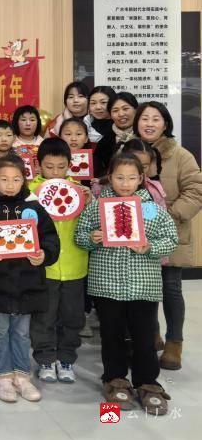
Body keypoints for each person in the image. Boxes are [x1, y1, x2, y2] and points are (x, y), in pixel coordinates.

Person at [75, 153, 178, 415]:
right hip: (106, 284)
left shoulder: (151, 207)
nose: (125, 183)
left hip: (143, 285)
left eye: (132, 178)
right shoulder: (97, 206)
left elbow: (170, 238)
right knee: (111, 335)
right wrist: (92, 237)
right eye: (119, 177)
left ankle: (147, 382)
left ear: (141, 178)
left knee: (144, 335)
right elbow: (80, 236)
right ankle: (115, 378)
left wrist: (150, 247)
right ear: (110, 177)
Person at [0, 157, 60, 403]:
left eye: (16, 179)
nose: (10, 185)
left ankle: (22, 374)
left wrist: (44, 255)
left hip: (28, 282)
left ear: (24, 180)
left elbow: (50, 237)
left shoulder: (35, 207)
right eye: (4, 179)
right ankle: (1, 374)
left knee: (21, 332)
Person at [135, 101, 202, 370]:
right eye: (145, 118)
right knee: (144, 290)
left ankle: (175, 342)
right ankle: (152, 336)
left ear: (165, 124)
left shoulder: (181, 155)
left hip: (171, 232)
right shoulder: (130, 151)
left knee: (171, 288)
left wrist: (169, 216)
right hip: (138, 235)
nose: (149, 123)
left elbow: (195, 190)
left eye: (156, 119)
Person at [28, 139, 90, 384]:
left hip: (75, 265)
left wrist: (89, 202)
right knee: (44, 317)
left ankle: (66, 359)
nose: (55, 172)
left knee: (73, 317)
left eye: (61, 167)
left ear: (70, 165)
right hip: (45, 268)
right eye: (49, 166)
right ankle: (45, 358)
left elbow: (93, 223)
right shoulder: (31, 192)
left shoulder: (79, 191)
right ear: (38, 165)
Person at [93, 92, 139, 178]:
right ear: (110, 115)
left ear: (136, 110)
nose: (121, 114)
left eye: (125, 109)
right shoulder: (104, 142)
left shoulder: (144, 136)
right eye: (115, 110)